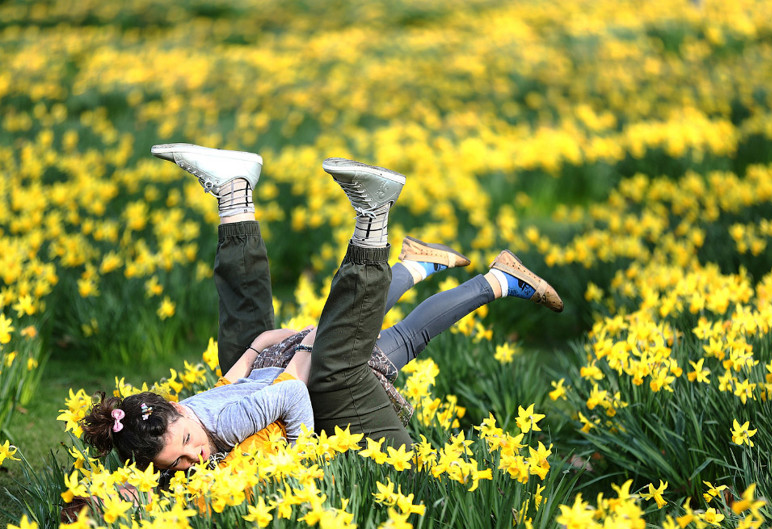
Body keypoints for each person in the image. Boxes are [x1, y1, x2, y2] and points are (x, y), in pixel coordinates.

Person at [80, 144, 563, 471]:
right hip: (291, 367)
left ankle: (388, 228)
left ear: (176, 410)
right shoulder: (193, 419)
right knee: (370, 337)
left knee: (382, 345)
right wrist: (262, 349)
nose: (195, 458)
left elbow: (288, 395)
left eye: (187, 446)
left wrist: (300, 455)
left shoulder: (221, 424)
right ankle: (458, 272)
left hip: (316, 381)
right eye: (179, 463)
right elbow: (235, 384)